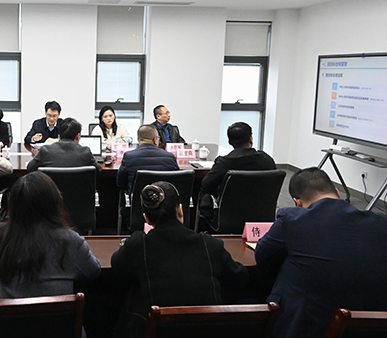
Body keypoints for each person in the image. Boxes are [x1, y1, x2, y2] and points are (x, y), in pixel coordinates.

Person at [255, 167, 387, 338]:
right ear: (338, 193)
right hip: (370, 327)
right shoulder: (381, 222)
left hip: (307, 327)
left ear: (297, 203)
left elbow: (262, 257)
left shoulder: (292, 219)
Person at [111, 181, 248, 338]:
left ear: (146, 218)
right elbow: (240, 278)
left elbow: (117, 265)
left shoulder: (139, 244)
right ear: (180, 210)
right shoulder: (210, 244)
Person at [0, 171, 101, 298]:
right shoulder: (71, 241)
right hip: (58, 311)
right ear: (54, 203)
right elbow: (93, 271)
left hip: (10, 311)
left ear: (13, 206)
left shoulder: (2, 237)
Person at [198, 121, 276, 224]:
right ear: (250, 139)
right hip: (263, 218)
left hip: (228, 219)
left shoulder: (224, 162)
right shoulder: (267, 160)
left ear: (229, 142)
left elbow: (206, 185)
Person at [116, 125, 179, 191]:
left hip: (137, 196)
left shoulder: (129, 156)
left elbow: (120, 183)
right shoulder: (169, 157)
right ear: (155, 139)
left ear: (138, 139)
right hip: (164, 195)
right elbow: (177, 180)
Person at [26, 117, 101, 173]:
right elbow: (99, 170)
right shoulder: (85, 152)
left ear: (59, 136)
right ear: (78, 136)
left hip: (51, 190)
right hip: (79, 190)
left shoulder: (46, 151)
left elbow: (30, 168)